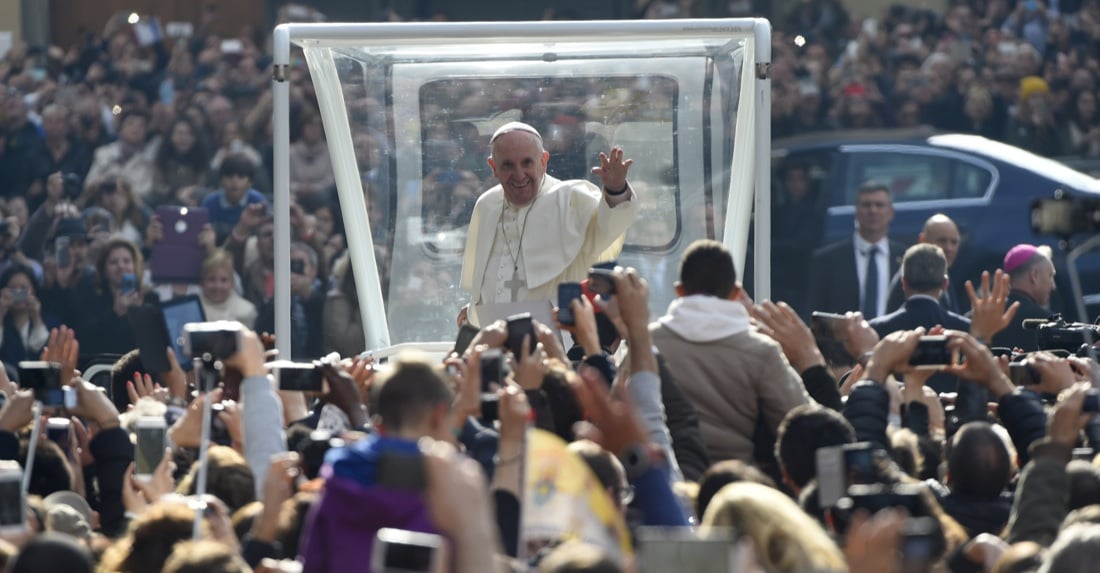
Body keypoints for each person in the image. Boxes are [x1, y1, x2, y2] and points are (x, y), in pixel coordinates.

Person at [458, 122, 638, 326]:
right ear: (493, 167)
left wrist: (616, 189)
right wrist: (475, 309)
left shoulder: (572, 198)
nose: (519, 175)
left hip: (561, 340)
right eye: (508, 165)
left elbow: (610, 228)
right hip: (495, 336)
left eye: (527, 163)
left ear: (544, 161)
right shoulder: (487, 205)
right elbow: (484, 278)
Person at [649, 239, 810, 468]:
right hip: (736, 483)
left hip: (666, 478)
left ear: (679, 290)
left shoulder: (647, 342)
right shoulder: (761, 351)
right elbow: (801, 422)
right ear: (736, 292)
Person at [808, 181, 906, 319]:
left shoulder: (906, 259)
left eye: (879, 205)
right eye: (866, 205)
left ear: (891, 212)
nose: (873, 210)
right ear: (856, 211)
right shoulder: (827, 259)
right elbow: (817, 312)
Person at [885, 213, 964, 313]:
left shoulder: (942, 271)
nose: (949, 248)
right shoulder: (911, 276)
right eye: (942, 241)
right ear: (923, 240)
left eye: (954, 242)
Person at [992, 244, 1057, 352]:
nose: (1053, 286)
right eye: (1050, 276)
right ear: (1034, 275)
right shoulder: (1047, 322)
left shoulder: (982, 319)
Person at [200, 152, 268, 244]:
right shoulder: (209, 203)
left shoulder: (259, 202)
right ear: (221, 180)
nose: (234, 181)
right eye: (229, 176)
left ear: (250, 182)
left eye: (241, 177)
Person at [0, 264, 49, 364]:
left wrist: (36, 318)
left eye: (23, 288)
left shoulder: (48, 321)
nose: (18, 291)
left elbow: (41, 347)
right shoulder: (4, 325)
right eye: (13, 288)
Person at [198, 249, 257, 328]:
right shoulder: (192, 311)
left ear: (232, 283)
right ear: (202, 282)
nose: (218, 286)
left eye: (224, 280)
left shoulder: (247, 312)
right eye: (211, 279)